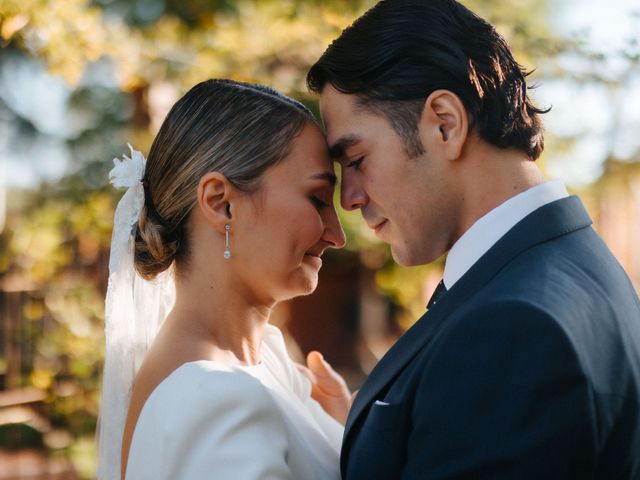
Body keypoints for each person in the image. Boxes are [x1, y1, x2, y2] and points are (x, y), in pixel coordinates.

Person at [307, 0, 640, 478]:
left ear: (445, 123)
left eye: (356, 159)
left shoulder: (514, 328)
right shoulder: (575, 267)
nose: (349, 199)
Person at [97, 79, 350, 479]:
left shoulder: (267, 361)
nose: (337, 234)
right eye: (318, 199)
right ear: (221, 203)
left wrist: (343, 429)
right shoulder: (215, 400)